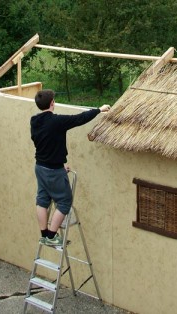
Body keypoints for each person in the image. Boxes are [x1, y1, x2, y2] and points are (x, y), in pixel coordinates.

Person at [31, 89, 110, 246]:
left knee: (42, 199)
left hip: (40, 167)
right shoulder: (57, 121)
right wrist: (99, 110)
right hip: (53, 171)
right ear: (52, 103)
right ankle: (52, 237)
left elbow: (48, 143)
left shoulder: (34, 120)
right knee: (65, 202)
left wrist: (60, 163)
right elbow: (79, 118)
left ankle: (44, 234)